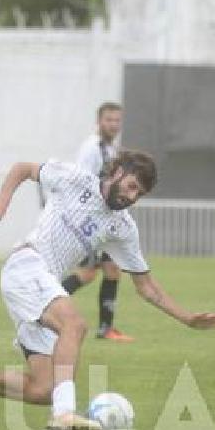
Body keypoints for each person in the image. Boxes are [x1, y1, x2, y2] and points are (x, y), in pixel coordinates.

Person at [0, 152, 215, 430]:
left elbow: (145, 286)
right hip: (27, 264)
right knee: (74, 325)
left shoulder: (123, 227)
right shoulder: (76, 179)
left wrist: (187, 317)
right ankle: (64, 413)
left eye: (140, 194)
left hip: (40, 283)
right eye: (132, 186)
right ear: (117, 173)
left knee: (42, 388)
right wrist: (1, 202)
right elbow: (23, 168)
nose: (132, 196)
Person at [58, 102, 135, 342]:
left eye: (117, 120)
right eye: (109, 120)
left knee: (104, 271)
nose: (113, 124)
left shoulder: (110, 149)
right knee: (93, 273)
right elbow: (82, 181)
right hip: (91, 222)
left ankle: (105, 328)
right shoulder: (91, 149)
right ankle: (43, 306)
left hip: (102, 222)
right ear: (99, 122)